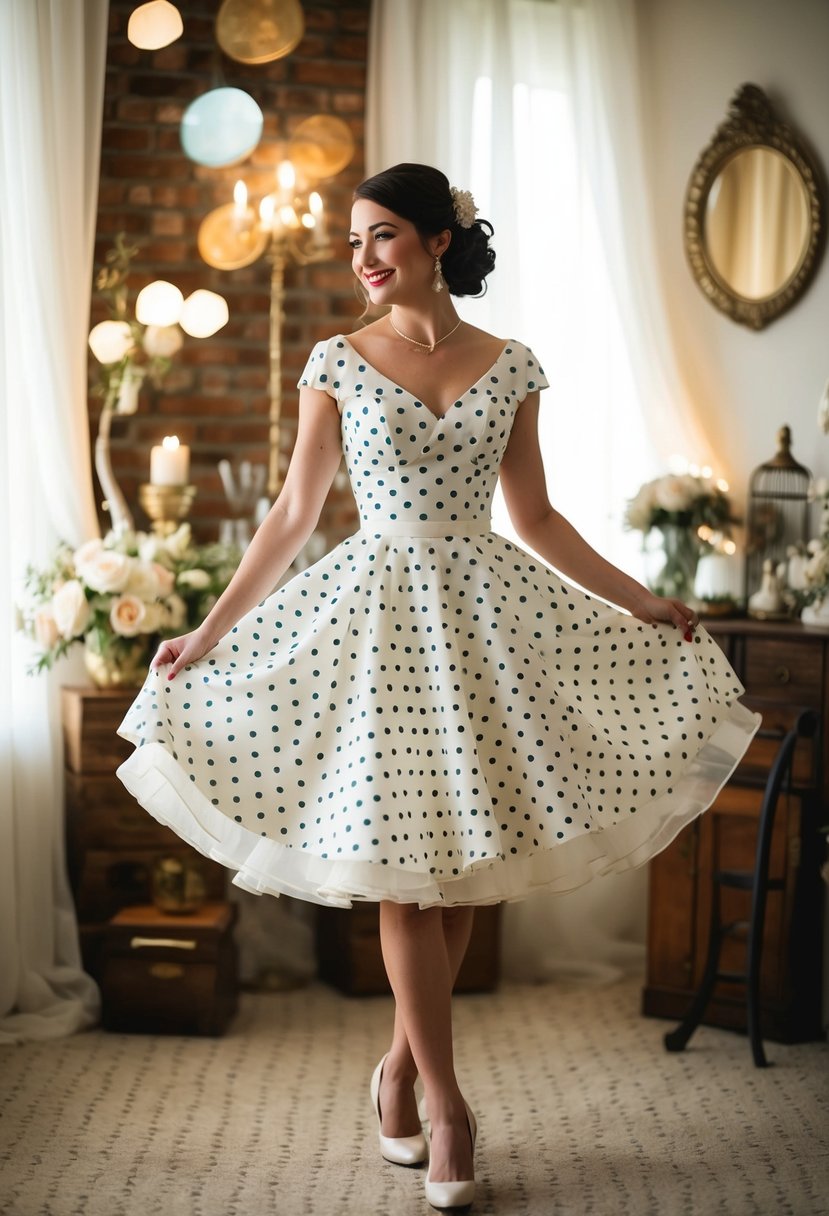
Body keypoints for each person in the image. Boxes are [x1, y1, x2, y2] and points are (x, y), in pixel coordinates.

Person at [117, 163, 759, 1211]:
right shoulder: (334, 358)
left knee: (464, 867)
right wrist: (208, 625)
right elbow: (290, 517)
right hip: (373, 626)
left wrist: (641, 597)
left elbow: (537, 516)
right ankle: (452, 1107)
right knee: (408, 874)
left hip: (483, 625)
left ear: (437, 242)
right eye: (354, 241)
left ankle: (398, 1069)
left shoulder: (511, 364)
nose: (362, 259)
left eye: (381, 238)